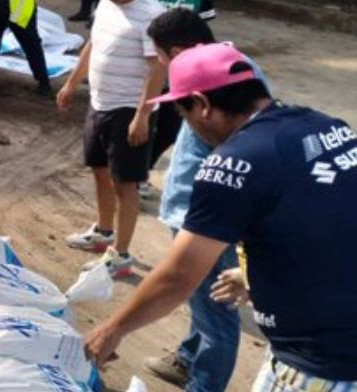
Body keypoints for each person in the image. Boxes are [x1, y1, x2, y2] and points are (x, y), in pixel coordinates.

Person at [84, 43, 357, 391]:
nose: (190, 127)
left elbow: (179, 275)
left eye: (184, 117)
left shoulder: (234, 162)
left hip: (325, 363)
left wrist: (111, 330)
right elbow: (324, 221)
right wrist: (255, 276)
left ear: (202, 104)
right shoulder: (322, 126)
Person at [139, 10, 267, 392]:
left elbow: (239, 152)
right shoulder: (234, 66)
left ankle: (204, 384)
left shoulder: (219, 84)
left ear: (177, 51)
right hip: (196, 209)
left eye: (161, 56)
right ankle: (188, 358)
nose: (160, 64)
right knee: (203, 300)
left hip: (204, 217)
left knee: (215, 313)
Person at [58, 0, 166, 278]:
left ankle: (120, 256)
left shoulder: (151, 14)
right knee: (99, 170)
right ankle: (104, 232)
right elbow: (94, 43)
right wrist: (72, 83)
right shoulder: (105, 4)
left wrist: (142, 115)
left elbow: (157, 69)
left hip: (128, 110)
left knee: (126, 183)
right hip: (99, 103)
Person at [139, 0, 216, 169]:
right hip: (143, 65)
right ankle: (133, 173)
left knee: (170, 128)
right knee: (139, 121)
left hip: (180, 70)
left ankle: (144, 168)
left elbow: (203, 30)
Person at [5, 0, 53, 97]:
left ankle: (44, 84)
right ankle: (44, 83)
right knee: (32, 44)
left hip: (18, 3)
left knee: (30, 43)